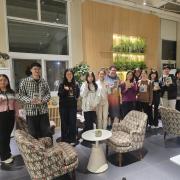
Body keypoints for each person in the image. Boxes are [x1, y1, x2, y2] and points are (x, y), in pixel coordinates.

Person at [18, 62, 52, 139]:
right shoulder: (24, 81)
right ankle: (36, 150)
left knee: (46, 132)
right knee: (33, 134)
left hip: (43, 111)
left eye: (39, 69)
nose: (37, 70)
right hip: (31, 112)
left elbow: (48, 94)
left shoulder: (44, 81)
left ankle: (48, 149)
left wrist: (43, 100)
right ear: (31, 70)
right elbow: (20, 95)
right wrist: (30, 100)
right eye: (35, 69)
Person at [57, 69, 80, 145]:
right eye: (67, 74)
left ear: (72, 75)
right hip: (63, 107)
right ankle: (64, 140)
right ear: (65, 75)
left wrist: (76, 95)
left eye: (70, 74)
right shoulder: (62, 84)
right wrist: (65, 90)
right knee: (64, 123)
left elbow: (77, 95)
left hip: (72, 107)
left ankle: (72, 139)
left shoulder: (76, 84)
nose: (69, 75)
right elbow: (59, 94)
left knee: (72, 123)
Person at [0, 74, 18, 164]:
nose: (3, 82)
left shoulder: (11, 92)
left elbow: (15, 104)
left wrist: (17, 114)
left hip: (10, 115)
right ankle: (3, 157)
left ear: (7, 81)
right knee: (2, 136)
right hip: (1, 115)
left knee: (8, 135)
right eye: (1, 80)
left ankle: (8, 152)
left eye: (5, 80)